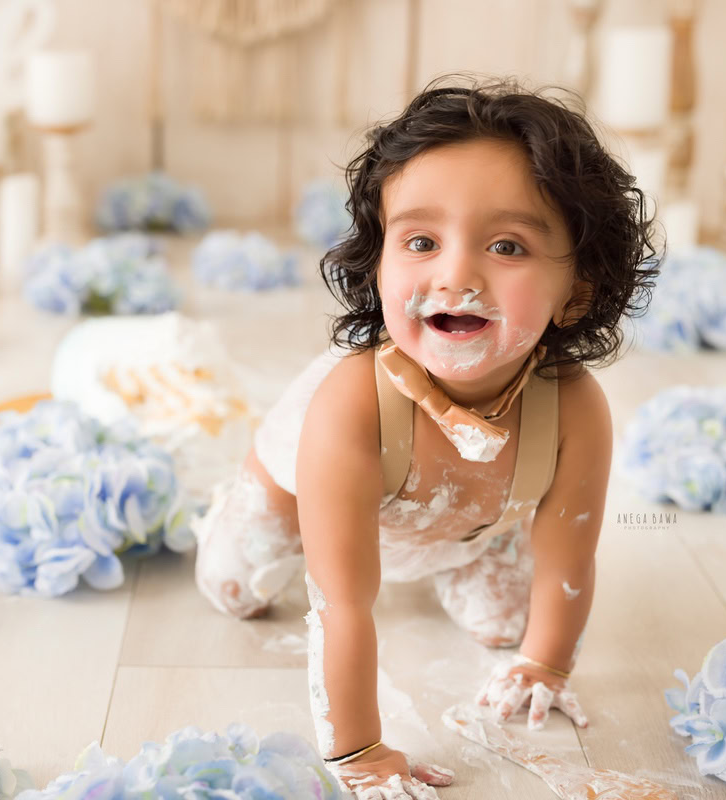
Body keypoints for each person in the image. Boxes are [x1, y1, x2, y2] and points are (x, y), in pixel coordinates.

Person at [193, 75, 659, 797]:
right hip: (305, 497)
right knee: (233, 586)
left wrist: (548, 662)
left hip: (456, 523)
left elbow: (569, 555)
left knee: (511, 627)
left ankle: (456, 558)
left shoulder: (574, 407)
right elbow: (342, 602)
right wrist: (358, 751)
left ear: (579, 291)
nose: (456, 274)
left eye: (507, 246)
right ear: (377, 263)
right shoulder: (351, 404)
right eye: (420, 240)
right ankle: (234, 502)